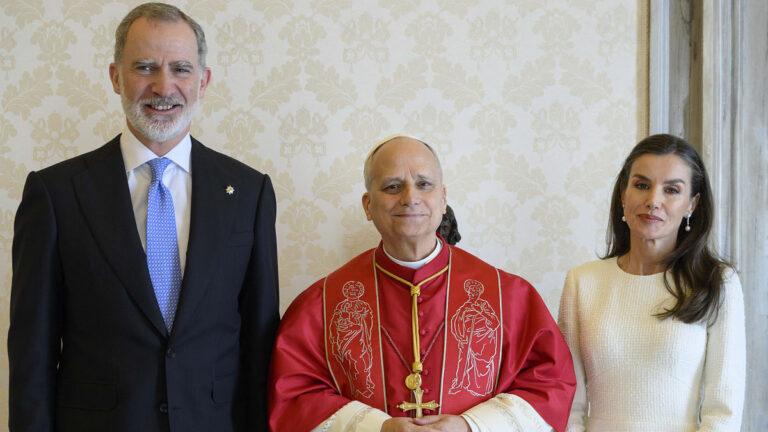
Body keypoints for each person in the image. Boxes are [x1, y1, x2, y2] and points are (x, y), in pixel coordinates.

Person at [7, 3, 279, 431]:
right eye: (145, 67)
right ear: (116, 77)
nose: (163, 86)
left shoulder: (249, 192)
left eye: (181, 69)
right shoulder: (56, 194)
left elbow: (260, 343)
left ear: (203, 81)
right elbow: (32, 352)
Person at [269, 135, 576, 432]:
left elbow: (550, 384)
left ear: (443, 199)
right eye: (392, 186)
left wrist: (471, 426)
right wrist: (376, 428)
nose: (410, 198)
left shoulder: (509, 296)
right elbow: (294, 396)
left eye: (424, 184)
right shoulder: (321, 303)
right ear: (368, 205)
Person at [557, 134, 745, 431]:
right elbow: (569, 404)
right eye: (642, 185)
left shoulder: (717, 282)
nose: (653, 201)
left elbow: (723, 412)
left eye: (672, 190)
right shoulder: (582, 282)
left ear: (692, 204)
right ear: (623, 194)